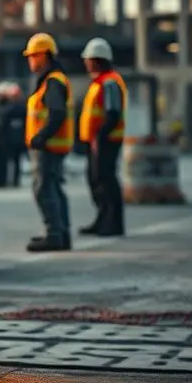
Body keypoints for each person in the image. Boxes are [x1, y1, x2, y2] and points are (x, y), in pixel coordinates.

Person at [23, 33, 73, 252]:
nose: (31, 60)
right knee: (53, 188)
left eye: (34, 56)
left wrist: (41, 136)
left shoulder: (53, 82)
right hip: (52, 146)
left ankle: (54, 235)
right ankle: (61, 234)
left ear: (45, 56)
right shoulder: (51, 81)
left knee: (43, 189)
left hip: (48, 147)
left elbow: (57, 112)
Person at [77, 37, 127, 236]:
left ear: (96, 60)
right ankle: (102, 219)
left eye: (88, 59)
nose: (85, 63)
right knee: (96, 181)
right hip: (97, 141)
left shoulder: (109, 83)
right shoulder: (99, 82)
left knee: (106, 181)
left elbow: (113, 114)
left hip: (106, 140)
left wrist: (99, 137)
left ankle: (113, 224)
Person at [4, 82, 27, 187]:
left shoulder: (8, 109)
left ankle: (12, 180)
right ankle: (14, 181)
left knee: (13, 161)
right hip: (16, 139)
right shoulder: (22, 109)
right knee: (16, 161)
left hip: (13, 139)